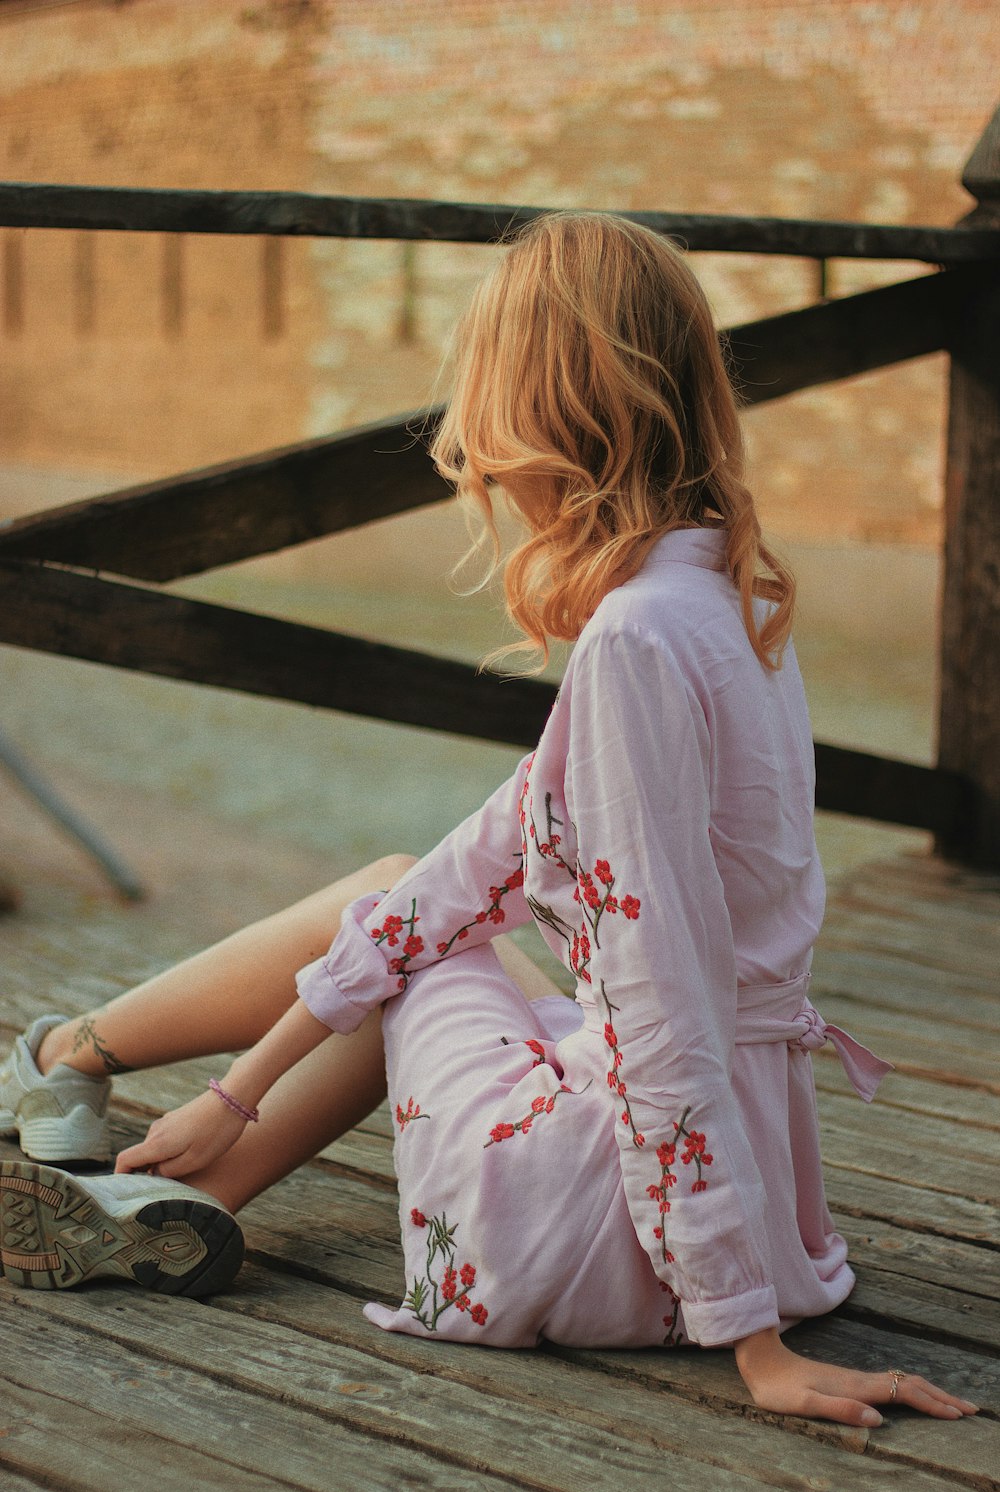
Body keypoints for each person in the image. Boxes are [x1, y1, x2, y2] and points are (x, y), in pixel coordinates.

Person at [0, 213, 976, 1428]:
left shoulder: (633, 640)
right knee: (423, 908)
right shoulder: (727, 601)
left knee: (420, 928)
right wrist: (236, 1090)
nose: (476, 451)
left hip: (589, 1236)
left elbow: (658, 998)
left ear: (547, 414)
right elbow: (471, 877)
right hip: (755, 1193)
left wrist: (749, 1339)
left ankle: (60, 1066)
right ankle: (152, 1169)